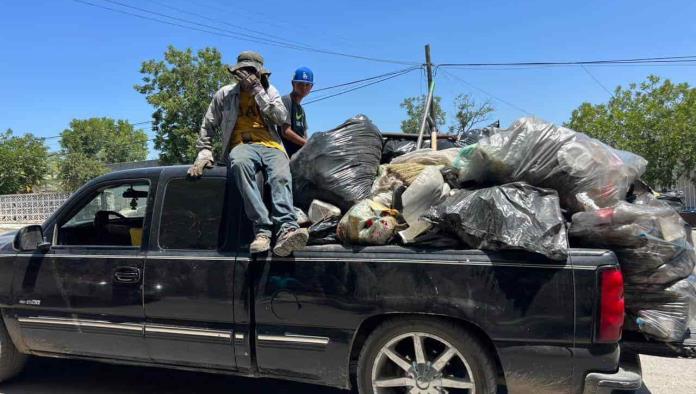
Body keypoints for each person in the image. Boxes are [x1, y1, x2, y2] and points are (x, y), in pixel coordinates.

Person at [187, 51, 308, 256]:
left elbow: (280, 118)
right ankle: (262, 230)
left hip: (271, 145)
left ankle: (287, 229)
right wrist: (204, 151)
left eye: (251, 71)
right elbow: (208, 124)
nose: (246, 75)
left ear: (260, 73)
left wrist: (258, 92)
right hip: (242, 144)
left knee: (280, 176)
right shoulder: (225, 94)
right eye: (243, 71)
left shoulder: (270, 92)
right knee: (240, 165)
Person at [280, 67, 313, 158]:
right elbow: (286, 132)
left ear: (311, 87)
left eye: (307, 85)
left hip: (298, 154)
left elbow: (304, 135)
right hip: (285, 154)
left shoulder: (301, 110)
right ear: (293, 84)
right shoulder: (286, 101)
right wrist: (308, 144)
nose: (304, 87)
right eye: (300, 84)